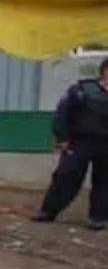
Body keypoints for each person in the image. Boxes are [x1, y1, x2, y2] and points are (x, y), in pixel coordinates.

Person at [33, 58, 108, 230]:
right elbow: (62, 113)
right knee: (66, 176)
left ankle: (99, 218)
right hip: (80, 141)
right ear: (104, 71)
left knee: (104, 182)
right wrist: (62, 138)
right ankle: (48, 211)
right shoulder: (82, 90)